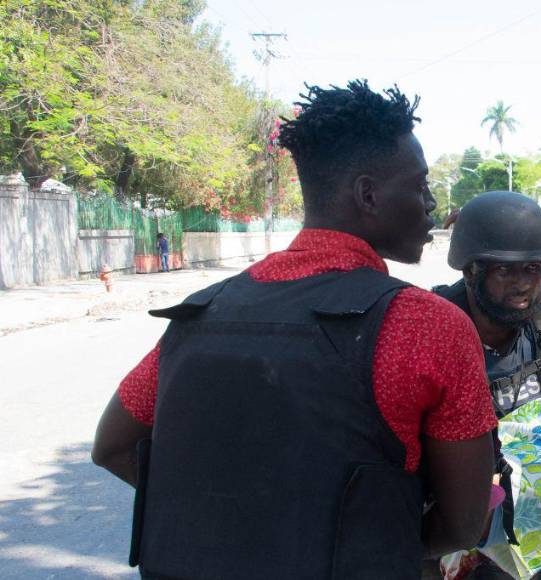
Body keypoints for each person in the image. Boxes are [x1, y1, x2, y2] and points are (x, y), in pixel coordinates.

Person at [91, 80, 497, 579]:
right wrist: (373, 542)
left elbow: (111, 445)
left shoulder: (201, 313)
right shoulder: (427, 326)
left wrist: (237, 527)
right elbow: (464, 524)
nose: (432, 203)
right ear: (368, 195)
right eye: (419, 185)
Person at [430, 190, 541, 579]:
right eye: (504, 270)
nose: (522, 285)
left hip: (536, 504)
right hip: (457, 506)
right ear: (470, 271)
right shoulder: (434, 332)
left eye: (531, 269)